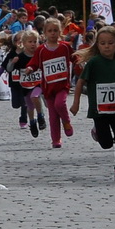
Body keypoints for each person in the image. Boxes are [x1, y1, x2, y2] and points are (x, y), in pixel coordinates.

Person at [70, 24, 115, 181]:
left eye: (110, 43)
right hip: (99, 110)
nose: (107, 46)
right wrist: (76, 103)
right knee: (106, 143)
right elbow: (80, 82)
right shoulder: (94, 63)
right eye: (102, 43)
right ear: (97, 45)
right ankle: (97, 131)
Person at [35, 17, 75, 147]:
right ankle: (56, 139)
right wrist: (30, 68)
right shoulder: (41, 49)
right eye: (50, 30)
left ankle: (66, 121)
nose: (53, 33)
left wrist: (82, 65)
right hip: (48, 87)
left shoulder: (65, 47)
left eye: (55, 30)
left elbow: (75, 58)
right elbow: (34, 62)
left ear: (60, 32)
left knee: (60, 104)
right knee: (52, 116)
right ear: (45, 32)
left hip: (62, 85)